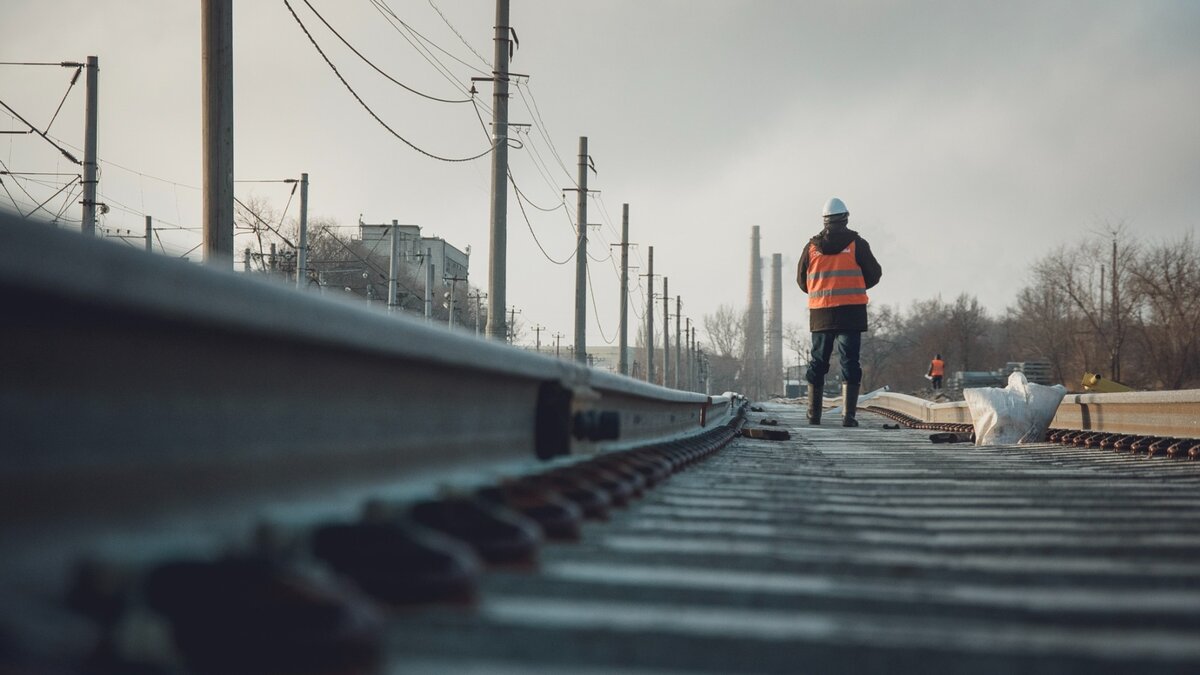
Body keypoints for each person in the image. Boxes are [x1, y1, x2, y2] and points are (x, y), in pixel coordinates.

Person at [797, 197, 883, 426]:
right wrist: (855, 286)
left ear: (824, 220)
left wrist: (821, 290)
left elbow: (801, 281)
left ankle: (814, 415)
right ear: (845, 218)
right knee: (850, 362)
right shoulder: (857, 244)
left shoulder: (812, 248)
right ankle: (849, 416)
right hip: (851, 313)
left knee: (817, 363)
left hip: (821, 314)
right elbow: (874, 274)